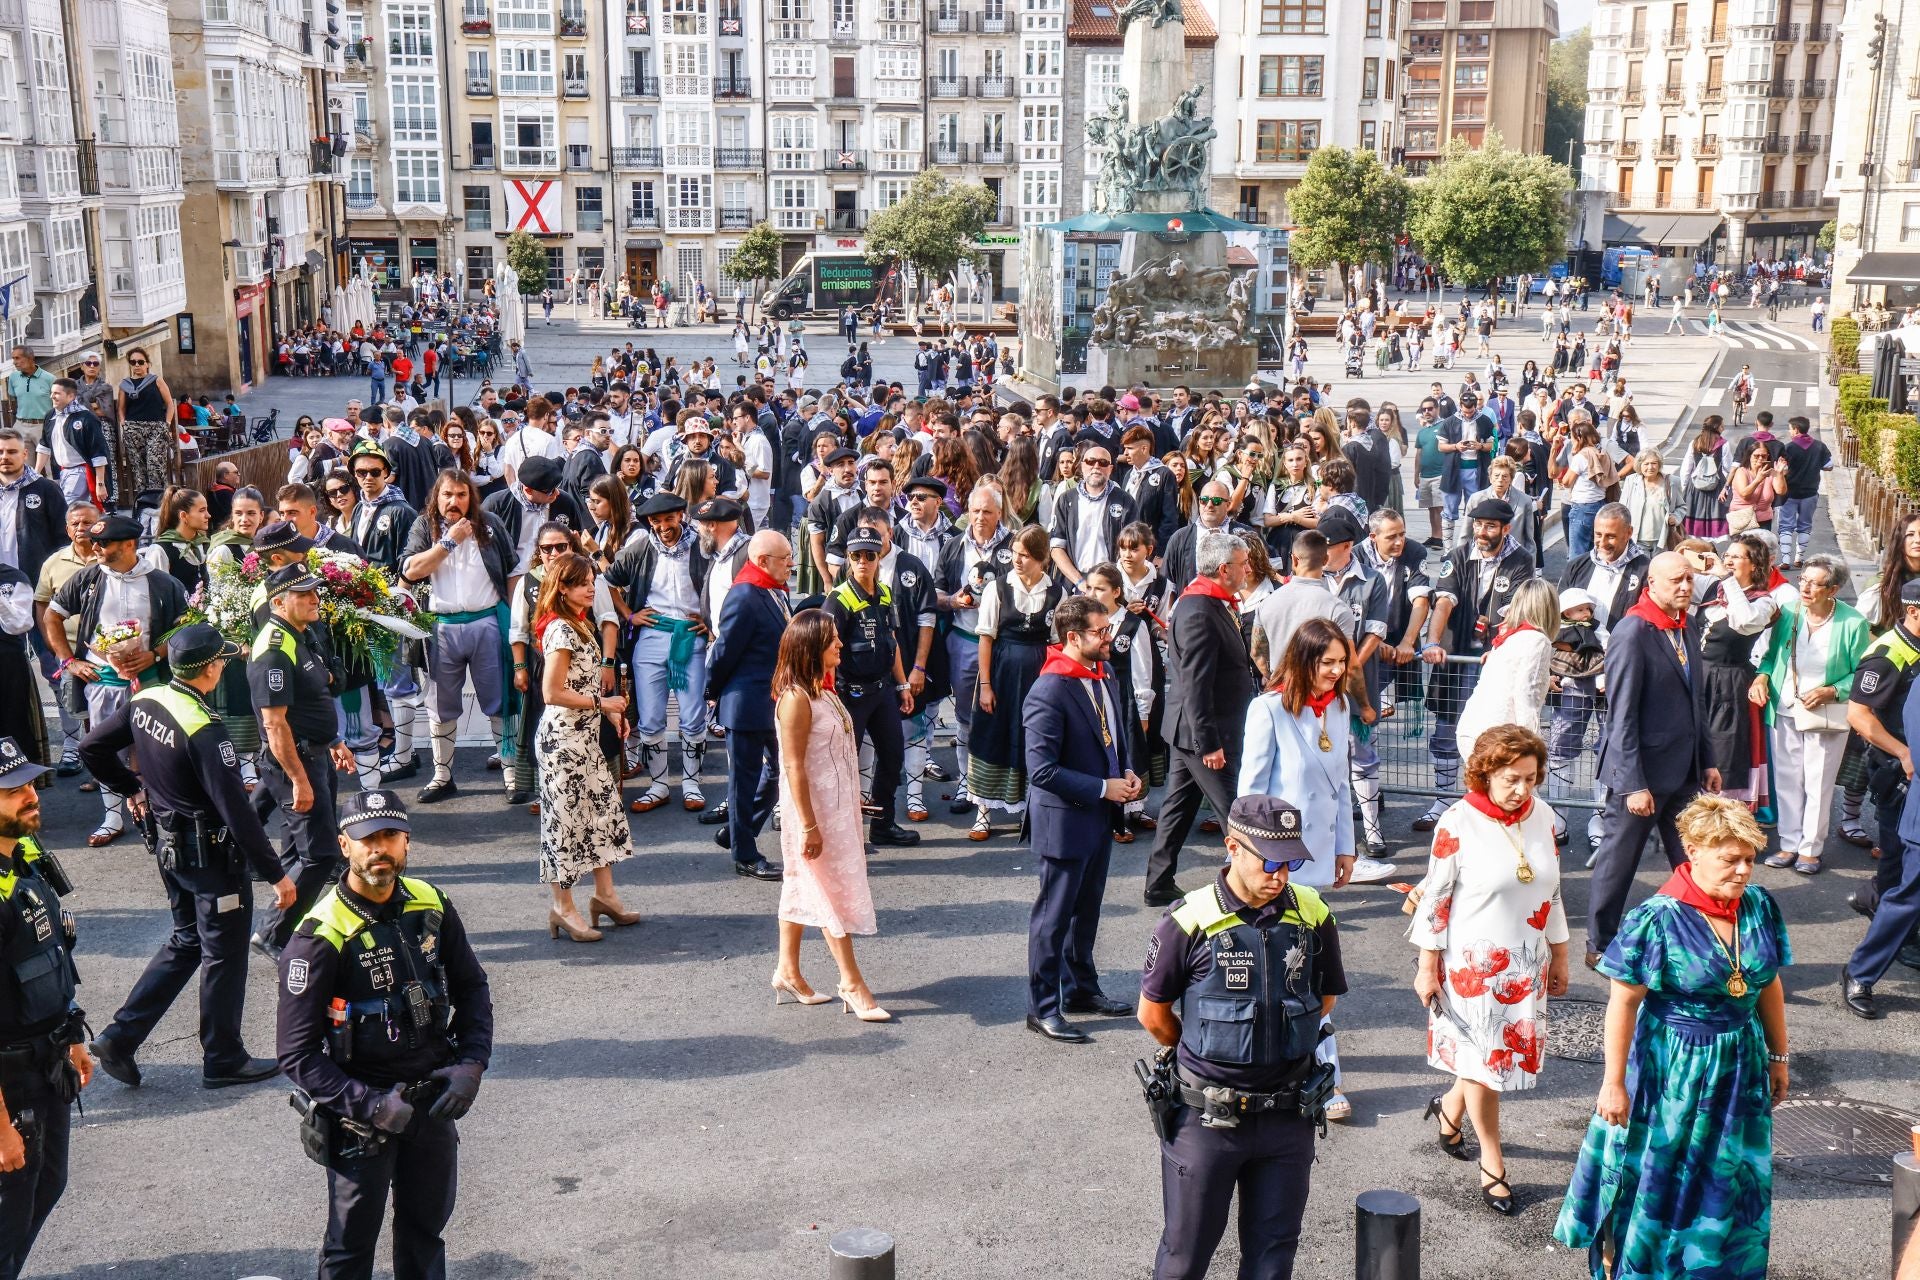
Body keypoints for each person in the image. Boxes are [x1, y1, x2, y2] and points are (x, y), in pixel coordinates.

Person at [1553, 795, 1790, 1279]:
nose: (1744, 871)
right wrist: (1613, 1082)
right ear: (1694, 850)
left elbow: (1768, 983)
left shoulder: (1759, 905)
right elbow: (1623, 1002)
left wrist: (1778, 1056)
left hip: (1738, 1064)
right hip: (1672, 1067)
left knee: (1726, 1177)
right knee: (1662, 1177)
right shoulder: (1656, 918)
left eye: (1749, 858)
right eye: (1730, 859)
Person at [275, 790, 494, 1280]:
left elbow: (472, 988)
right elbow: (296, 1054)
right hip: (362, 1119)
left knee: (425, 1233)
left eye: (390, 836)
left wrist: (472, 1064)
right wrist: (373, 1107)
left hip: (435, 1104)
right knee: (350, 1250)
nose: (380, 849)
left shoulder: (431, 903)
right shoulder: (319, 934)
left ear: (407, 843)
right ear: (344, 846)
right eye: (367, 838)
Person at [79, 624, 297, 1090]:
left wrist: (130, 788)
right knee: (223, 954)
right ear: (212, 669)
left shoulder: (147, 698)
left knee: (186, 941)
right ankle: (223, 1058)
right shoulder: (204, 727)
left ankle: (120, 1037)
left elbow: (90, 747)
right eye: (221, 661)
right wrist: (276, 874)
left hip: (169, 847)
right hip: (212, 859)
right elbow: (236, 810)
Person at [1136, 794, 1344, 1280]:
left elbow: (1325, 999)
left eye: (1292, 862)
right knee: (1185, 1258)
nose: (1282, 875)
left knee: (1273, 1259)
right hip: (1209, 1120)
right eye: (1271, 862)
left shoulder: (1312, 914)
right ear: (1233, 847)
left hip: (1288, 1117)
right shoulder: (1189, 921)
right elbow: (1153, 1015)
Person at [1408, 725, 1571, 1216]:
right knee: (1487, 1067)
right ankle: (1493, 1163)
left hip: (1525, 961)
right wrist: (1426, 966)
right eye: (1511, 780)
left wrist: (1560, 953)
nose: (1523, 789)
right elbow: (1434, 901)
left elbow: (1552, 890)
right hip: (1472, 969)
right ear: (1484, 775)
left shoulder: (1541, 816)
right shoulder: (1457, 822)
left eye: (1531, 778)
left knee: (1487, 1062)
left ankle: (1449, 1108)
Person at [1587, 552, 1720, 966]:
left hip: (1683, 770)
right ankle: (1600, 943)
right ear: (1652, 584)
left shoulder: (1686, 622)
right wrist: (1632, 784)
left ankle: (1702, 939)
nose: (1685, 587)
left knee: (1695, 857)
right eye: (1677, 580)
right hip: (1641, 774)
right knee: (1619, 861)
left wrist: (1708, 759)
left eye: (1689, 580)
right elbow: (1621, 714)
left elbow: (1696, 699)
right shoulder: (1633, 631)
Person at [1022, 594, 1140, 1044]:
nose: (1109, 638)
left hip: (1098, 814)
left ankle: (1081, 990)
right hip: (1064, 821)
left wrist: (1124, 770)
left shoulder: (1102, 671)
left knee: (1086, 912)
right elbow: (1042, 770)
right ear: (1073, 637)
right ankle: (1043, 1008)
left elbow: (1114, 730)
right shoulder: (1049, 689)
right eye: (1100, 631)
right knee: (1053, 919)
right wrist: (1101, 788)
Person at [40, 513, 191, 848]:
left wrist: (155, 655)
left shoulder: (163, 582)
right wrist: (70, 661)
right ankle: (112, 816)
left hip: (151, 678)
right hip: (102, 680)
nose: (95, 547)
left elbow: (185, 627)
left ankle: (153, 809)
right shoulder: (88, 578)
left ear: (129, 545)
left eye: (104, 543)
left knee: (148, 747)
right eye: (96, 542)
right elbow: (51, 616)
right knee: (105, 748)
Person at [0, 736, 91, 1280]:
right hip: (10, 1083)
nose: (32, 796)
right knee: (9, 1215)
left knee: (47, 1183)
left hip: (47, 1060)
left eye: (30, 783)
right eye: (13, 789)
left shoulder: (20, 859)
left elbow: (50, 955)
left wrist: (73, 1033)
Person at [771, 609, 889, 1020]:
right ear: (811, 647)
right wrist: (808, 825)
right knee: (826, 891)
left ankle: (787, 969)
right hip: (813, 813)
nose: (840, 644)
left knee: (800, 885)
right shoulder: (795, 700)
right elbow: (794, 767)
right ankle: (851, 981)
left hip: (836, 810)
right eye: (832, 639)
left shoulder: (824, 692)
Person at [250, 563, 359, 958]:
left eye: (315, 591)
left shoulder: (302, 633)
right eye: (304, 594)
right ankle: (272, 934)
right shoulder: (274, 652)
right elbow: (275, 725)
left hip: (316, 754)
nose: (315, 599)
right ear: (278, 602)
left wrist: (332, 741)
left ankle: (290, 927)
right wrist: (299, 780)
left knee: (300, 852)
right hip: (294, 764)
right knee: (322, 854)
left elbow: (310, 702)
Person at [1412, 498, 1537, 831]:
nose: (1482, 532)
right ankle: (1443, 800)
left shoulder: (1521, 560)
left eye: (1490, 526)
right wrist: (1433, 642)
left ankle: (1482, 802)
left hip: (1492, 661)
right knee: (1446, 728)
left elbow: (1516, 612)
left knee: (1489, 734)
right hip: (1455, 656)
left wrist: (1499, 645)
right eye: (1479, 524)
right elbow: (1444, 602)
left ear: (1506, 528)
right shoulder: (1458, 555)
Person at [1145, 530, 1255, 905]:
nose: (1247, 570)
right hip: (1204, 733)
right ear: (1224, 569)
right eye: (1243, 565)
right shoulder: (1199, 610)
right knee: (1234, 815)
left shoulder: (1209, 603)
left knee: (1178, 808)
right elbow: (1195, 684)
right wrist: (1208, 743)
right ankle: (1255, 891)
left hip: (1192, 730)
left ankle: (1158, 882)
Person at [533, 552, 638, 942]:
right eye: (581, 583)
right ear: (562, 588)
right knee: (564, 825)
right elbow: (551, 692)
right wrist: (603, 704)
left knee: (601, 814)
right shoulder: (561, 630)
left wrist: (609, 713)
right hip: (563, 743)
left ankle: (605, 896)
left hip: (585, 737)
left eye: (592, 581)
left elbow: (582, 683)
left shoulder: (580, 624)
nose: (591, 587)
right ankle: (562, 907)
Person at [399, 470, 516, 803]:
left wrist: (515, 621)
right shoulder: (425, 526)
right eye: (447, 494)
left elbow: (511, 570)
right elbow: (410, 570)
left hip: (487, 622)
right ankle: (442, 775)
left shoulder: (490, 522)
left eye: (462, 494)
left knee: (500, 700)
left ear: (471, 497)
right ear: (437, 496)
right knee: (440, 706)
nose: (454, 501)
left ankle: (511, 771)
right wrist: (449, 541)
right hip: (441, 627)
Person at [1754, 555, 1867, 876]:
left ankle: (1811, 849)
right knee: (1788, 780)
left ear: (1833, 589)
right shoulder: (1789, 613)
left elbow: (1860, 673)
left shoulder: (1852, 622)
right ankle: (1789, 843)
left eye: (1815, 583)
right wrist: (1762, 676)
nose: (1805, 587)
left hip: (1825, 712)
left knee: (1818, 782)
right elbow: (1772, 655)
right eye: (1803, 579)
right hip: (1785, 705)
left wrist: (1831, 691)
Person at [965, 524, 1065, 841]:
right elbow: (986, 638)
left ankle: (1026, 806)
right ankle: (983, 813)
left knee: (1030, 738)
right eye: (1015, 554)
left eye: (1024, 555)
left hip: (1038, 678)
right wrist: (985, 686)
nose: (1017, 560)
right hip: (1001, 674)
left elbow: (1056, 643)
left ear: (1040, 559)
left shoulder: (1056, 593)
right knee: (992, 734)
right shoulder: (998, 588)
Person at [825, 526, 920, 847]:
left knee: (893, 756)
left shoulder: (884, 592)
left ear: (880, 557)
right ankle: (843, 835)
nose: (863, 561)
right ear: (848, 559)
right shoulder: (838, 600)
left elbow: (891, 640)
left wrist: (903, 683)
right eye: (856, 556)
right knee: (844, 766)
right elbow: (824, 651)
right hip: (849, 694)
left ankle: (882, 824)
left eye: (870, 555)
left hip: (882, 692)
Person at [704, 530, 790, 881]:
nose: (791, 564)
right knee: (745, 780)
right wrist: (713, 691)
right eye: (785, 558)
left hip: (772, 701)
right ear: (762, 561)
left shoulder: (773, 592)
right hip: (745, 702)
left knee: (778, 774)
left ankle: (738, 831)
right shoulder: (745, 594)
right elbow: (724, 651)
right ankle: (745, 854)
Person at [1457, 578, 1560, 762]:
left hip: (1473, 728)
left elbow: (1511, 679)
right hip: (1500, 735)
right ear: (1549, 608)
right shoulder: (1537, 640)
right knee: (1520, 790)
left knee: (1488, 790)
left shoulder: (1508, 637)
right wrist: (1532, 746)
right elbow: (1525, 695)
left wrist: (1545, 680)